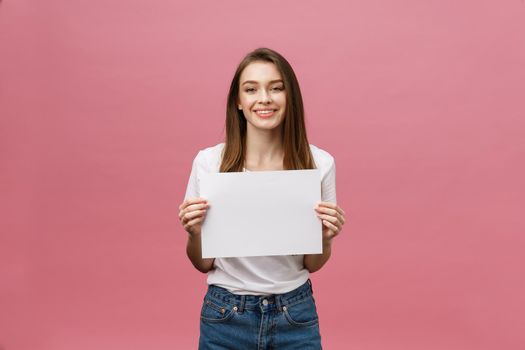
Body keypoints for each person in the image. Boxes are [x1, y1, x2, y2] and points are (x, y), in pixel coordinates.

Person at [178, 47, 346, 349]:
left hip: (295, 312)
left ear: (289, 98)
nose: (264, 98)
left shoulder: (320, 163)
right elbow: (202, 263)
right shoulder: (209, 163)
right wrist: (194, 233)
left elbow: (313, 263)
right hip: (226, 313)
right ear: (239, 102)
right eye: (251, 89)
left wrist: (327, 237)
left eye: (276, 88)